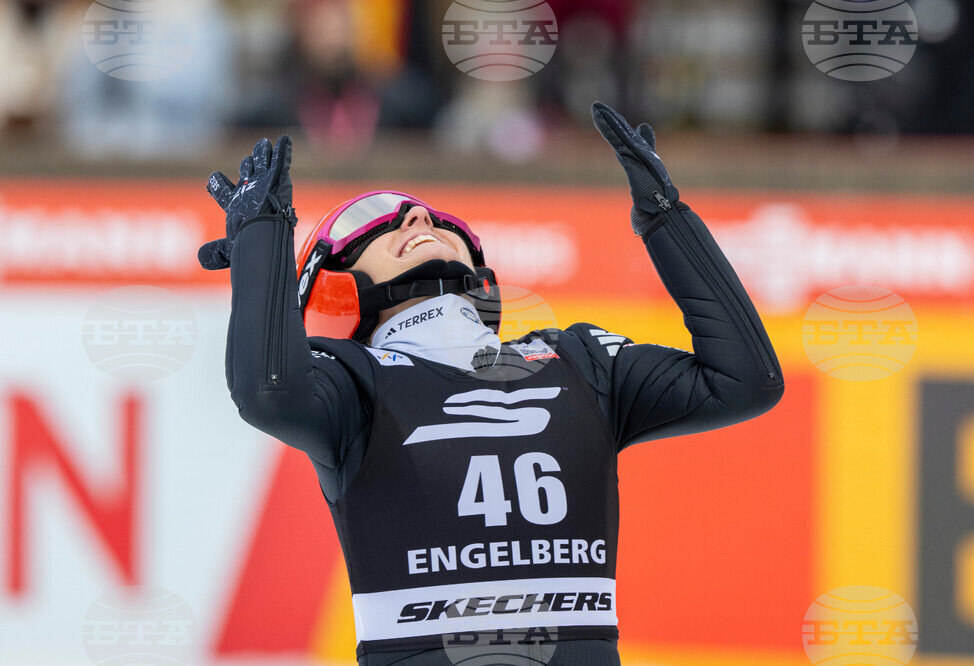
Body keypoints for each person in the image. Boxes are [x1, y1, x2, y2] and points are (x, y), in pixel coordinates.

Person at [199, 102, 784, 665]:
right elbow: (266, 387)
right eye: (374, 221)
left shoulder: (579, 359)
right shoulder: (353, 385)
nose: (418, 217)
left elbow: (748, 379)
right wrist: (264, 235)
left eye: (437, 218)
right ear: (330, 290)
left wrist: (664, 217)